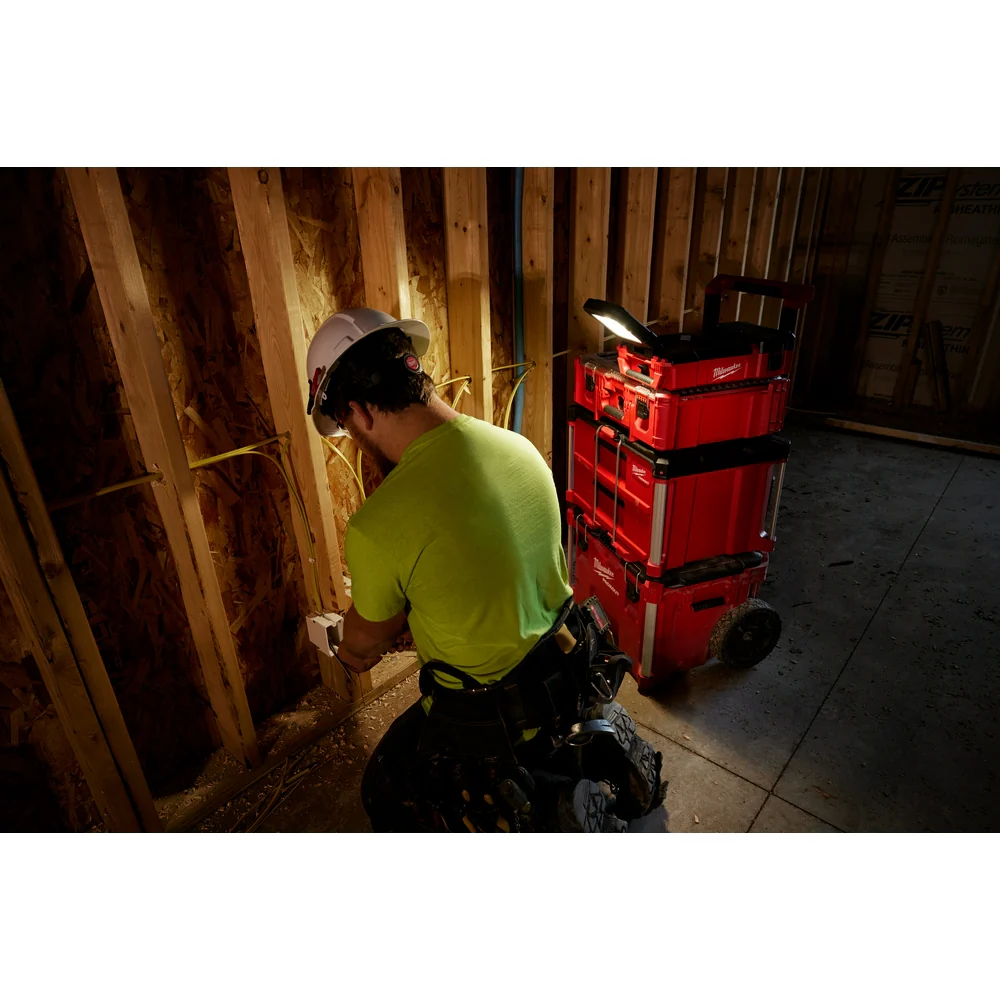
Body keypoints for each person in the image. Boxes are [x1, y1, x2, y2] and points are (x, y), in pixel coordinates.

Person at [305, 308, 667, 832]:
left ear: (359, 413)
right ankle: (591, 743)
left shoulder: (377, 526)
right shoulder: (520, 449)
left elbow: (363, 649)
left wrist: (346, 640)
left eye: (350, 430)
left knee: (384, 788)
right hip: (570, 668)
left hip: (495, 715)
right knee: (542, 717)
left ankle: (544, 808)